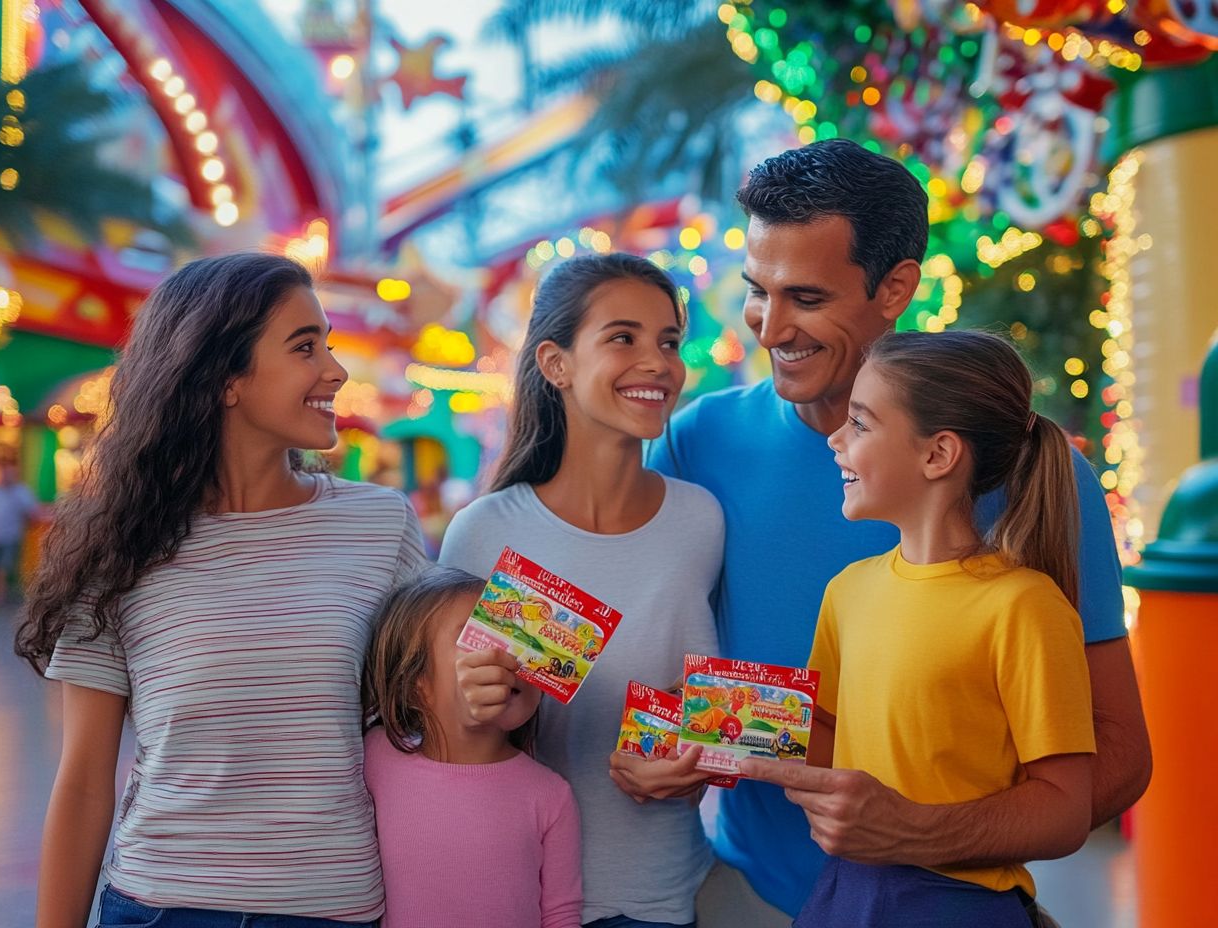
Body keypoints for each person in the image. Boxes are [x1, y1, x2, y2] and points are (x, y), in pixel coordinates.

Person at [649, 139, 1152, 924]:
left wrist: (922, 833)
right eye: (757, 290)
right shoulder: (695, 442)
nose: (770, 327)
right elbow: (805, 717)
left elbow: (1117, 758)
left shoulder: (1025, 471)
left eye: (807, 298)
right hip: (745, 891)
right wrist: (658, 737)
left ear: (896, 288)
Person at [15, 253, 427, 928]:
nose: (335, 369)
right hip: (161, 905)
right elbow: (85, 782)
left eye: (327, 342)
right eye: (304, 347)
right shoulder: (119, 545)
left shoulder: (380, 525)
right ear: (224, 378)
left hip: (332, 910)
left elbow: (430, 718)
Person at [745, 330, 1094, 927]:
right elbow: (821, 735)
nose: (834, 438)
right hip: (845, 894)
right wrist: (700, 722)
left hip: (961, 906)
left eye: (860, 423)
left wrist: (910, 830)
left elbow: (1065, 811)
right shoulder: (847, 591)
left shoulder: (1024, 606)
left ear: (938, 455)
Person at [439, 253, 724, 928]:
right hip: (522, 894)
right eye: (622, 337)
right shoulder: (483, 535)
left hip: (665, 890)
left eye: (669, 342)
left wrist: (693, 759)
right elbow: (447, 736)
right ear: (556, 363)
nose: (657, 362)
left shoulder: (700, 520)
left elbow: (703, 701)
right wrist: (474, 701)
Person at [362, 566, 582, 928]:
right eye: (476, 636)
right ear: (417, 684)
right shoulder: (374, 759)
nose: (507, 654)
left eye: (514, 635)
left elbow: (561, 914)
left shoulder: (551, 794)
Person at [0, 461, 38, 606]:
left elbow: (32, 513)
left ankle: (0, 597)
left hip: (10, 537)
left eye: (9, 473)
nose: (6, 476)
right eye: (4, 473)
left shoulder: (21, 492)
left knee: (3, 568)